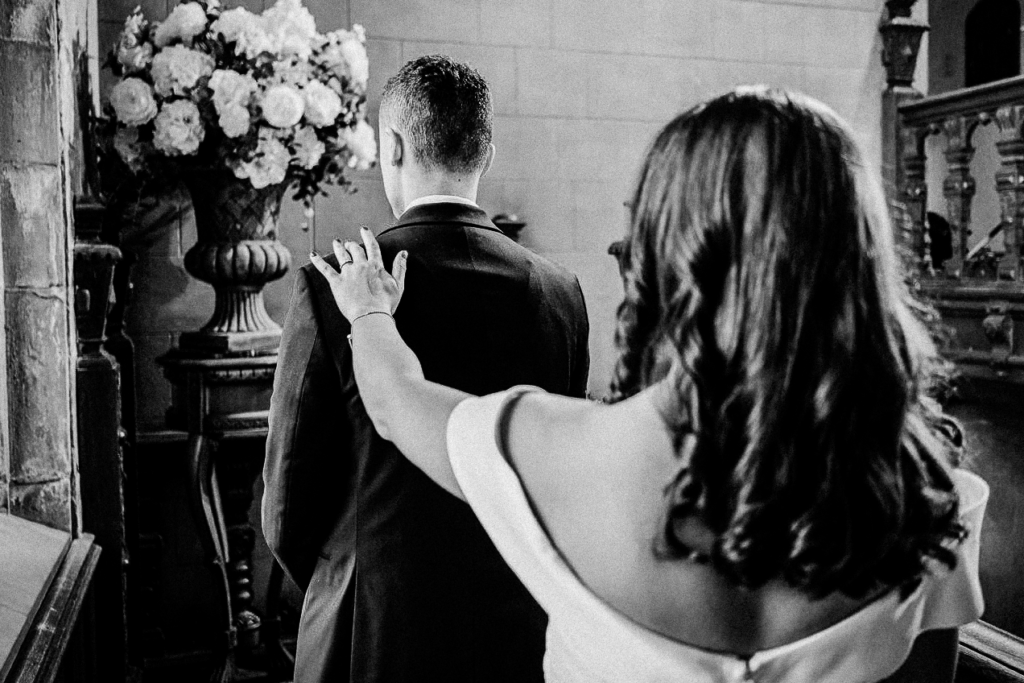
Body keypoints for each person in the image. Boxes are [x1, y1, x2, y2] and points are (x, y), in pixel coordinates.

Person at [310, 87, 989, 683]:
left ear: (667, 249)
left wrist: (368, 310)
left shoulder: (555, 454)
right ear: (859, 255)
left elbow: (394, 402)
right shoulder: (937, 500)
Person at [262, 56, 590, 683]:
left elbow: (287, 504)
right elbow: (555, 473)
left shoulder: (335, 284)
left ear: (392, 146)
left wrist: (346, 580)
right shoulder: (561, 292)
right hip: (515, 629)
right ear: (485, 153)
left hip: (370, 630)